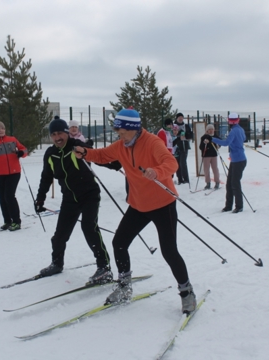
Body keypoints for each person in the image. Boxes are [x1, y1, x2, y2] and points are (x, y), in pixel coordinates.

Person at [74, 107, 197, 313]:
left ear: (133, 128)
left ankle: (187, 292)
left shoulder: (152, 142)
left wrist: (156, 171)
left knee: (169, 250)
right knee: (119, 243)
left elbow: (171, 163)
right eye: (118, 131)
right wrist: (85, 152)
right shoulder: (122, 145)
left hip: (162, 204)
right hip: (139, 204)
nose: (119, 135)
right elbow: (103, 155)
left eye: (122, 131)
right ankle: (124, 287)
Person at [34, 116, 112, 285]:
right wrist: (40, 198)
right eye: (53, 134)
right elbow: (46, 177)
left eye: (60, 133)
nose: (57, 137)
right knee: (59, 235)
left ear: (67, 132)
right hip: (70, 198)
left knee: (89, 227)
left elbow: (99, 157)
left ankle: (104, 267)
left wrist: (118, 165)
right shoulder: (51, 153)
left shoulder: (77, 147)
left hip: (89, 195)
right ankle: (57, 263)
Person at [212, 113, 247, 213]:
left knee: (235, 183)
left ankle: (239, 206)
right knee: (229, 184)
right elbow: (243, 138)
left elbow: (226, 143)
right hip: (238, 159)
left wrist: (212, 139)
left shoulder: (234, 131)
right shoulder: (240, 129)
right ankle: (228, 206)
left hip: (238, 160)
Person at [200, 124, 221, 190]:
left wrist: (218, 145)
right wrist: (204, 143)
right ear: (207, 130)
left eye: (212, 129)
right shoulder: (204, 137)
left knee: (215, 169)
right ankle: (208, 183)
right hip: (206, 155)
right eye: (209, 129)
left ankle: (217, 182)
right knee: (206, 169)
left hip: (214, 155)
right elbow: (201, 147)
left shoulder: (215, 136)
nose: (211, 131)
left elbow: (220, 142)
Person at [174, 113, 193, 184]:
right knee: (177, 163)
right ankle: (180, 179)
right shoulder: (174, 126)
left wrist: (186, 135)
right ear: (176, 118)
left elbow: (190, 135)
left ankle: (186, 179)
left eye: (181, 117)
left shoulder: (186, 126)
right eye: (179, 117)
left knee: (183, 162)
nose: (180, 118)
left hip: (185, 146)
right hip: (176, 146)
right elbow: (173, 134)